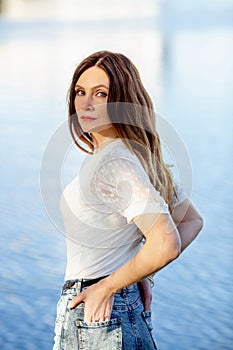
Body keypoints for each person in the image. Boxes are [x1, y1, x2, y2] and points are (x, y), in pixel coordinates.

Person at [52, 50, 203, 350]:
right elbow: (191, 221)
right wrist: (136, 272)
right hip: (115, 306)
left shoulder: (114, 164)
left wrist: (109, 286)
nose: (86, 103)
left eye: (101, 93)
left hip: (96, 311)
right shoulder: (134, 156)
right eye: (80, 92)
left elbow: (167, 242)